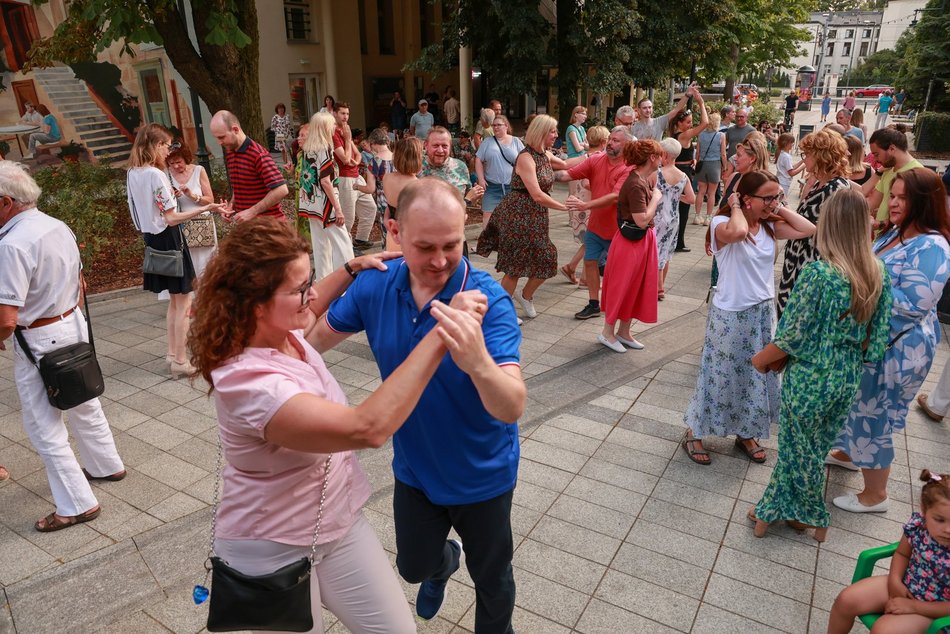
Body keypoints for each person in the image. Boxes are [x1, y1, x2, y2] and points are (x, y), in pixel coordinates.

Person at [188, 218, 473, 634]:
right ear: (256, 304)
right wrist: (441, 333)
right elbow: (368, 428)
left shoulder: (282, 330)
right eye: (301, 288)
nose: (314, 294)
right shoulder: (251, 383)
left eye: (312, 280)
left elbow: (314, 310)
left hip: (334, 524)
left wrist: (352, 269)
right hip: (271, 548)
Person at [311, 177, 527, 632]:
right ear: (394, 231)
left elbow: (511, 407)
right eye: (424, 247)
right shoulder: (377, 284)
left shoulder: (486, 300)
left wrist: (479, 364)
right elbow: (312, 343)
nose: (441, 260)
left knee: (493, 578)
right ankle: (443, 563)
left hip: (482, 474)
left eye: (452, 244)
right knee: (413, 567)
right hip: (415, 469)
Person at [748, 189, 890, 542]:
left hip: (811, 375)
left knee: (799, 450)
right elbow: (878, 339)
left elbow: (789, 336)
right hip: (846, 375)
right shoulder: (877, 272)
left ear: (830, 224)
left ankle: (807, 512)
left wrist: (760, 360)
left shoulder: (818, 275)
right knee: (809, 449)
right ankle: (786, 511)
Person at [0, 160, 125, 532]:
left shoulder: (12, 244)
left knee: (44, 425)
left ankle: (75, 504)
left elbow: (7, 317)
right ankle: (106, 465)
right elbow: (81, 281)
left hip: (39, 336)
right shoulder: (57, 226)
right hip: (71, 323)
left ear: (6, 202)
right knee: (84, 400)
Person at [829, 169, 950, 513]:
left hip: (899, 347)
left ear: (924, 203)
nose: (893, 203)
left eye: (902, 198)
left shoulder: (933, 245)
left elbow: (914, 304)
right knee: (861, 403)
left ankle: (876, 495)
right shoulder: (897, 233)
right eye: (892, 195)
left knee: (876, 414)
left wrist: (854, 295)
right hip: (877, 340)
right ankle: (850, 453)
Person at [682, 171, 816, 466]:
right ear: (745, 199)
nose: (773, 202)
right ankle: (695, 430)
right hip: (730, 313)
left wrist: (776, 208)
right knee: (719, 374)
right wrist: (735, 207)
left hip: (762, 312)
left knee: (757, 375)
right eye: (767, 197)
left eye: (777, 196)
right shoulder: (722, 224)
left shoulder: (770, 228)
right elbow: (739, 233)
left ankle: (746, 431)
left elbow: (808, 229)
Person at [127, 124, 221, 376]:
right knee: (184, 302)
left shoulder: (133, 173)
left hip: (151, 239)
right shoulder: (155, 175)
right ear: (156, 146)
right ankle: (180, 360)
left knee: (174, 301)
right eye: (167, 146)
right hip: (169, 237)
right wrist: (203, 209)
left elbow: (136, 211)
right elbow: (171, 217)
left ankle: (172, 354)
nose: (169, 151)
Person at [827, 470, 950, 634]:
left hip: (937, 611)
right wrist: (894, 581)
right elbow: (902, 554)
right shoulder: (918, 526)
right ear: (924, 510)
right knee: (846, 601)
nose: (948, 529)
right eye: (939, 520)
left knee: (883, 630)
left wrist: (914, 606)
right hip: (907, 584)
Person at [476, 114, 568, 321]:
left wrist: (596, 157)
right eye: (552, 131)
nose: (555, 135)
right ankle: (501, 311)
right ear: (541, 132)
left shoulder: (544, 154)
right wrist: (563, 207)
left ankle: (526, 296)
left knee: (547, 257)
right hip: (517, 214)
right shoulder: (525, 157)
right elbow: (536, 194)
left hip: (535, 217)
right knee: (514, 267)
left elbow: (566, 164)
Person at [555, 127, 635, 320]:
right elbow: (567, 175)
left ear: (627, 145)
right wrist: (541, 167)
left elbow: (615, 197)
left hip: (618, 229)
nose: (610, 143)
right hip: (596, 227)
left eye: (616, 141)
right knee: (589, 262)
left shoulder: (629, 167)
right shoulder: (596, 159)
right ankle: (593, 304)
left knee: (617, 271)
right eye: (610, 139)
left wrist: (585, 204)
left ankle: (619, 306)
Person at [776, 129, 852, 317]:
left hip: (810, 265)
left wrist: (778, 209)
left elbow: (814, 227)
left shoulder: (835, 188)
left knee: (798, 322)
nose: (804, 159)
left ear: (821, 156)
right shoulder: (823, 183)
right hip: (800, 262)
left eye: (807, 154)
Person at [598, 139, 664, 352]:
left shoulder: (641, 179)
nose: (662, 159)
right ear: (652, 158)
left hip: (639, 241)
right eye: (659, 155)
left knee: (636, 286)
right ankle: (607, 333)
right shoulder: (636, 183)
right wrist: (656, 199)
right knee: (622, 286)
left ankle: (623, 332)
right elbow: (642, 220)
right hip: (631, 243)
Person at [298, 112, 355, 281]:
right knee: (342, 242)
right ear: (325, 127)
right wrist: (338, 209)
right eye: (331, 125)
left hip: (311, 203)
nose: (334, 128)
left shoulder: (308, 149)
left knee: (321, 245)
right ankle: (346, 281)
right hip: (326, 203)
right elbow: (326, 182)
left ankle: (324, 283)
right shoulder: (325, 148)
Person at [210, 110, 289, 222]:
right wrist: (232, 206)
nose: (219, 142)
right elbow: (240, 187)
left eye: (221, 137)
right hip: (250, 228)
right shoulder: (231, 152)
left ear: (235, 129)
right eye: (217, 138)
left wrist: (252, 211)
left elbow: (281, 189)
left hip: (270, 227)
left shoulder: (258, 154)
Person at [560, 125, 608, 287]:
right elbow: (588, 183)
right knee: (593, 241)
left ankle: (576, 271)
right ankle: (577, 272)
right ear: (603, 142)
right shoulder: (599, 158)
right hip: (588, 205)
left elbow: (564, 164)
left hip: (578, 203)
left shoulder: (583, 156)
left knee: (590, 241)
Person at [166, 141, 217, 278]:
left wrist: (191, 195)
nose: (176, 166)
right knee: (189, 265)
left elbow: (210, 200)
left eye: (179, 162)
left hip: (202, 224)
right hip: (182, 225)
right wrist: (172, 197)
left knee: (207, 264)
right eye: (171, 163)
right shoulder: (165, 175)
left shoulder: (198, 170)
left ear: (186, 158)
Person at [331, 102, 377, 249]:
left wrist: (354, 163)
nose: (345, 117)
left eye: (347, 114)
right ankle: (345, 247)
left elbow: (356, 155)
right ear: (335, 113)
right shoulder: (333, 133)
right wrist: (346, 139)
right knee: (348, 218)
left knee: (370, 208)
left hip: (356, 175)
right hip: (345, 179)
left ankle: (360, 240)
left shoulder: (346, 129)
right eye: (342, 113)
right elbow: (344, 158)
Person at [655, 138, 695, 300]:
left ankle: (658, 288)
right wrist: (677, 197)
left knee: (656, 251)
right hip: (673, 217)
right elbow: (692, 199)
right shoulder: (683, 176)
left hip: (657, 216)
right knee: (666, 252)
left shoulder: (656, 173)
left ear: (664, 155)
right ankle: (661, 285)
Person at [668, 94, 708, 251]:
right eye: (688, 122)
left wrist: (692, 160)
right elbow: (705, 123)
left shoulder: (676, 134)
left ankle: (676, 240)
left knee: (677, 207)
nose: (691, 125)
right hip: (682, 172)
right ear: (679, 123)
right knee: (683, 208)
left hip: (681, 169)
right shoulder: (683, 135)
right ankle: (679, 242)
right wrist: (701, 102)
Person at [864, 127, 923, 229]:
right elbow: (873, 201)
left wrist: (878, 224)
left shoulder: (917, 173)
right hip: (882, 239)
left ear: (892, 149)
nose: (876, 160)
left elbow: (912, 217)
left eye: (877, 154)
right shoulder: (888, 169)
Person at [475, 115, 525, 228]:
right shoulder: (487, 142)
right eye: (494, 125)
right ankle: (487, 243)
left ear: (506, 126)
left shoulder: (516, 141)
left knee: (513, 217)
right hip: (492, 187)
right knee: (488, 215)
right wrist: (481, 179)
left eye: (499, 125)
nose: (496, 127)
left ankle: (509, 243)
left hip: (512, 187)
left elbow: (525, 161)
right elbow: (478, 159)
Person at [630, 85, 696, 141]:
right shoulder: (633, 128)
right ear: (639, 110)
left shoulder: (659, 122)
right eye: (644, 108)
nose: (648, 110)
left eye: (650, 107)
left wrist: (687, 95)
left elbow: (677, 109)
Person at [694, 113, 726, 225]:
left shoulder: (701, 135)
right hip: (715, 165)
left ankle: (697, 216)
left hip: (702, 164)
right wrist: (725, 167)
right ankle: (708, 217)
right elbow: (723, 154)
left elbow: (697, 152)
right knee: (711, 193)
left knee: (701, 192)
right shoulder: (721, 135)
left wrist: (697, 163)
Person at [565, 106, 589, 196]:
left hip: (582, 161)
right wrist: (583, 145)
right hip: (573, 162)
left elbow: (588, 146)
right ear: (576, 114)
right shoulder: (571, 128)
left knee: (580, 191)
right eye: (583, 114)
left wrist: (582, 144)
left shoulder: (582, 129)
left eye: (585, 114)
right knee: (573, 192)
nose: (585, 116)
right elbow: (577, 148)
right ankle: (569, 209)